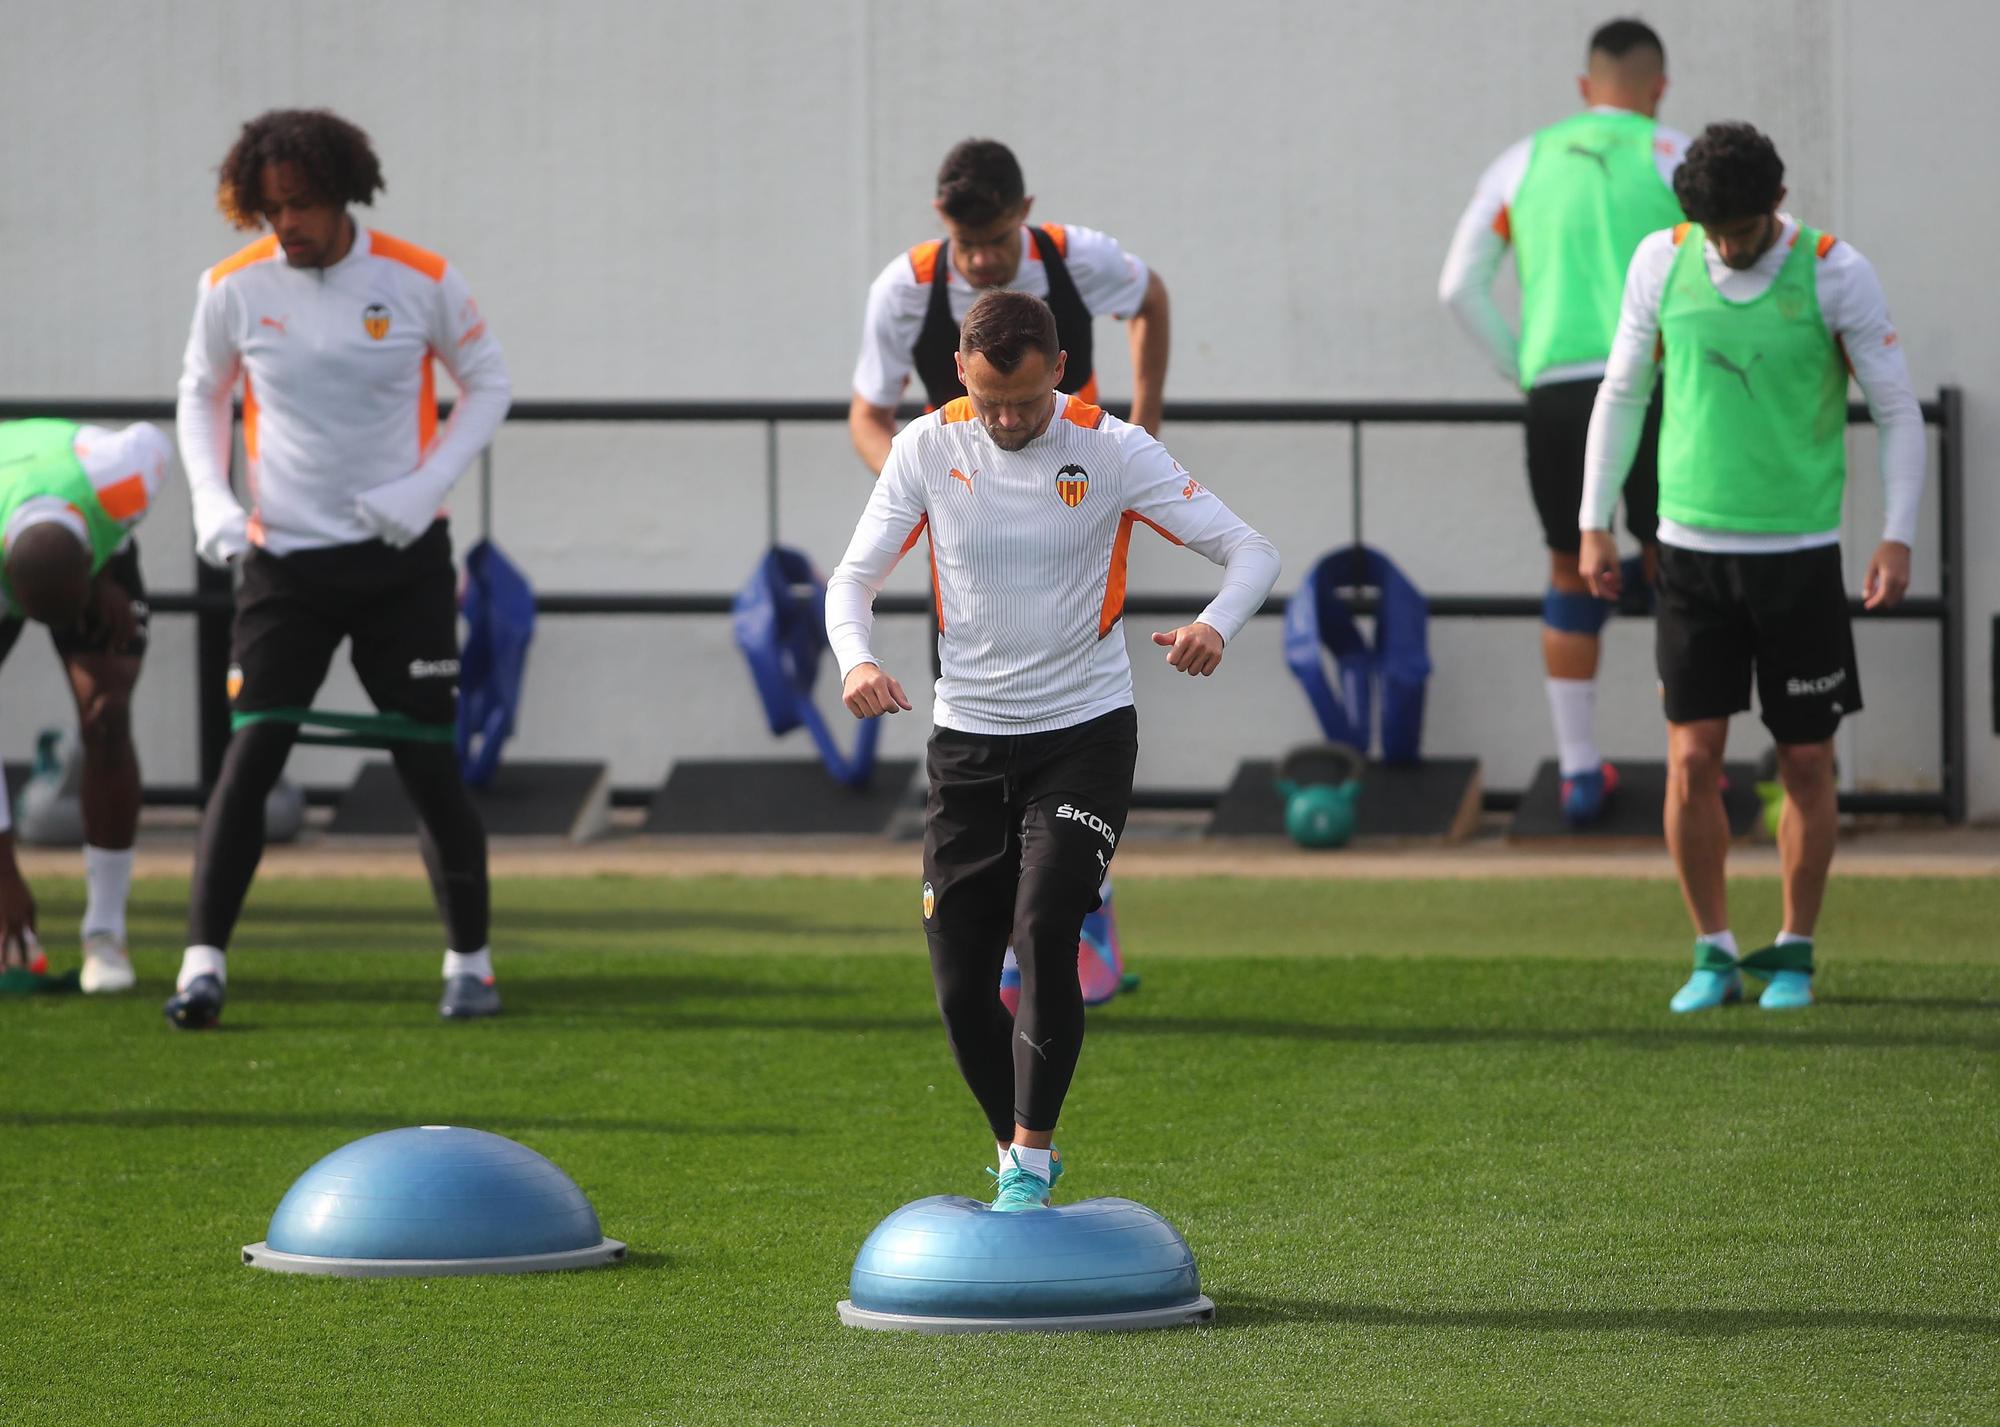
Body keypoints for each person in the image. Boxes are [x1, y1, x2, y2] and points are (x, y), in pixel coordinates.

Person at [827, 290, 1280, 1208]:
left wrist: (1215, 625)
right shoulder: (925, 446)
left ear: (1060, 373)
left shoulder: (1112, 450)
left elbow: (1252, 552)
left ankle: (1031, 1161)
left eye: (1026, 403)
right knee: (958, 984)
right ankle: (1011, 1149)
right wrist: (857, 661)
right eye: (990, 400)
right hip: (966, 743)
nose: (1006, 420)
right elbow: (853, 579)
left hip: (1084, 737)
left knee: (1043, 933)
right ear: (960, 370)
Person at [168, 108, 512, 1029]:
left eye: (306, 204)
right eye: (271, 207)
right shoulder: (231, 288)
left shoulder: (419, 278)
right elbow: (201, 395)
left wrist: (427, 482)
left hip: (403, 561)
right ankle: (201, 965)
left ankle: (470, 963)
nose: (289, 225)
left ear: (345, 192)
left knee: (426, 758)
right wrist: (211, 500)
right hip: (283, 564)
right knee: (254, 752)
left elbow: (490, 381)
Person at [1579, 121, 1923, 1012]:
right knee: (1692, 760)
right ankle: (1713, 952)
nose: (1726, 249)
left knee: (1806, 760)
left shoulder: (1837, 270)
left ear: (1775, 202)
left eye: (1740, 230)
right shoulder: (1663, 258)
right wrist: (1592, 522)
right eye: (1713, 233)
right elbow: (1621, 391)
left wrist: (1897, 533)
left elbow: (1894, 408)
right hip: (1690, 553)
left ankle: (1796, 950)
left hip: (1800, 555)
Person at [1439, 18, 1688, 824]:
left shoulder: (1522, 160)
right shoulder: (1675, 156)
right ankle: (1695, 757)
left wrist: (1523, 366)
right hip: (1657, 382)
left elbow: (1457, 288)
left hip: (1558, 391)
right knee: (1676, 568)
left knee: (1567, 567)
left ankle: (1581, 774)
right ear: (1658, 87)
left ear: (1585, 88)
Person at [848, 137, 1170, 473]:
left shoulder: (1078, 258)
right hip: (963, 486)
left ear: (1024, 210)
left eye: (998, 239)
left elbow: (1152, 297)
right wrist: (913, 487)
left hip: (1075, 477)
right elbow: (868, 417)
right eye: (966, 242)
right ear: (941, 214)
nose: (981, 259)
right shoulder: (906, 287)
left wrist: (1143, 436)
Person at [0, 419, 171, 991]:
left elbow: (161, 439)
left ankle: (105, 930)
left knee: (107, 716)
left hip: (88, 542)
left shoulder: (123, 474)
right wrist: (4, 876)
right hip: (31, 539)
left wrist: (101, 578)